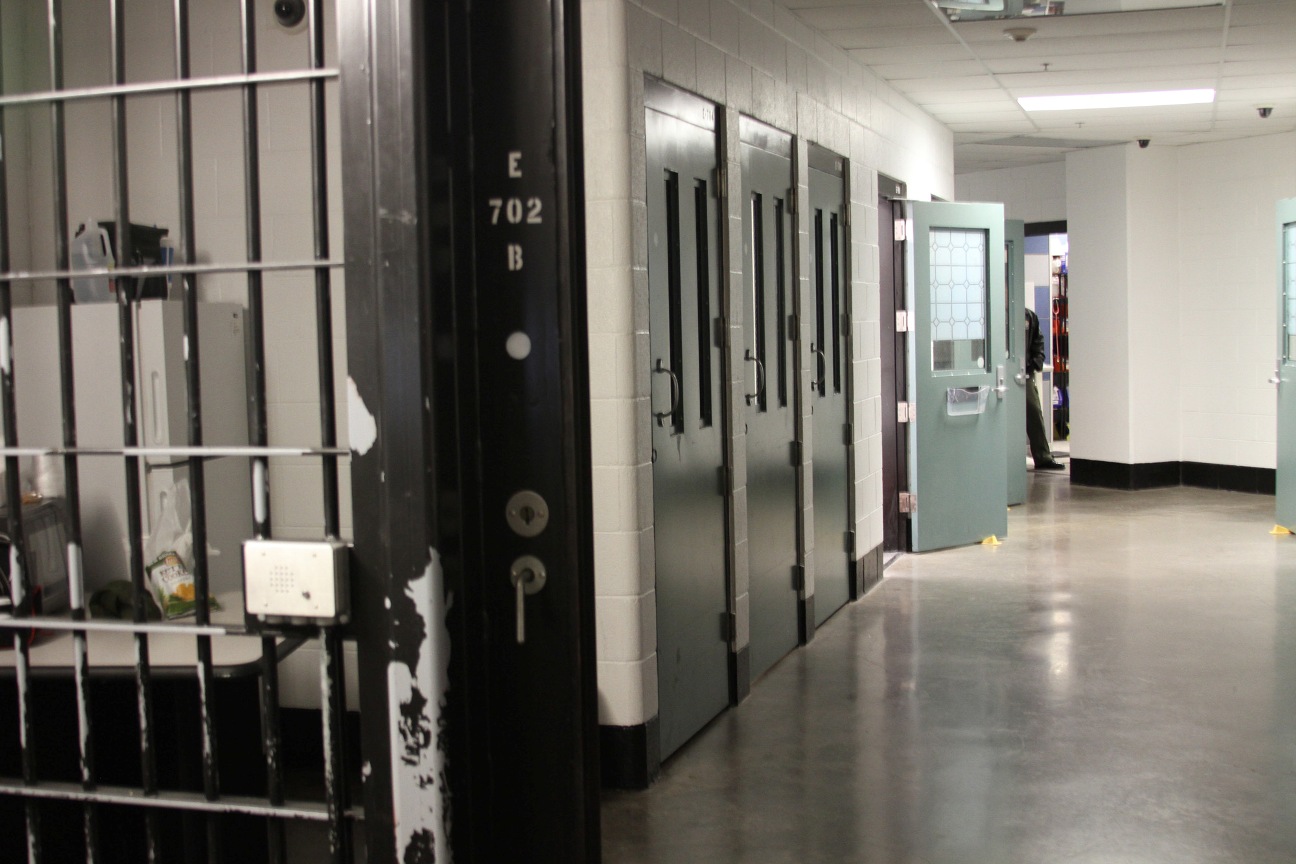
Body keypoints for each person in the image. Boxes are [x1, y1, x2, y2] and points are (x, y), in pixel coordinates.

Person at [1025, 308, 1065, 471]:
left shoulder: (1028, 316)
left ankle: (1042, 457)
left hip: (1023, 372)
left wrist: (1035, 362)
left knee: (1033, 411)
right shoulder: (994, 312)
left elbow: (1038, 342)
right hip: (1000, 370)